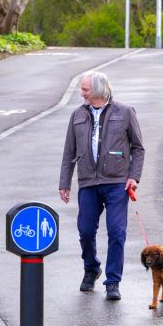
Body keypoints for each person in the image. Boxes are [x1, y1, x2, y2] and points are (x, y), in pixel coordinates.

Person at [59, 71, 144, 300]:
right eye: (82, 89)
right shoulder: (77, 115)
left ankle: (112, 281)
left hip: (117, 182)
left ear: (98, 90)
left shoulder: (125, 112)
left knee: (117, 232)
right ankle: (91, 268)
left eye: (85, 89)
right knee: (85, 231)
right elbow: (69, 152)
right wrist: (64, 183)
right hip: (88, 182)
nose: (82, 93)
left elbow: (138, 148)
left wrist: (133, 176)